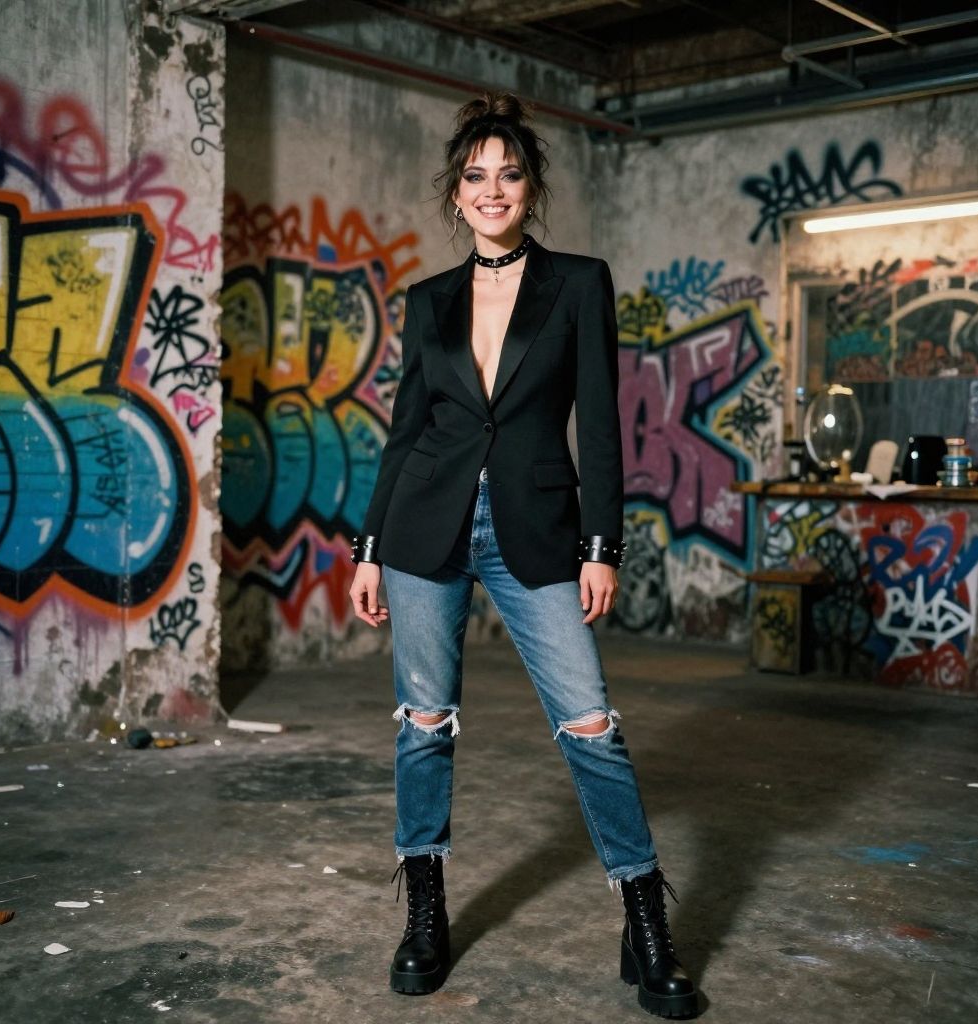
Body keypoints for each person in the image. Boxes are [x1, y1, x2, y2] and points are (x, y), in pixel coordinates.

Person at [348, 92, 697, 1020]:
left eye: (509, 174)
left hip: (535, 529)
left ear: (531, 187)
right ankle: (425, 914)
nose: (492, 189)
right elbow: (406, 432)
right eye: (475, 176)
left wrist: (601, 545)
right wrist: (370, 548)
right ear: (455, 194)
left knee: (591, 724)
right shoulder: (428, 300)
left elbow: (602, 425)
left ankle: (645, 921)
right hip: (425, 527)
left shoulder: (578, 283)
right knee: (424, 724)